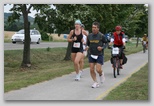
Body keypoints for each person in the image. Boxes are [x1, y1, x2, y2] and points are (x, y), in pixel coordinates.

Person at [86, 22, 107, 88]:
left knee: (98, 69)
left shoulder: (101, 36)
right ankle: (95, 82)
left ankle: (101, 74)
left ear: (98, 28)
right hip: (91, 54)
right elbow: (87, 44)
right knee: (91, 69)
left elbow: (106, 43)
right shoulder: (89, 36)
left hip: (99, 54)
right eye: (93, 27)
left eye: (95, 27)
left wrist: (102, 48)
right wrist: (87, 47)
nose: (93, 29)